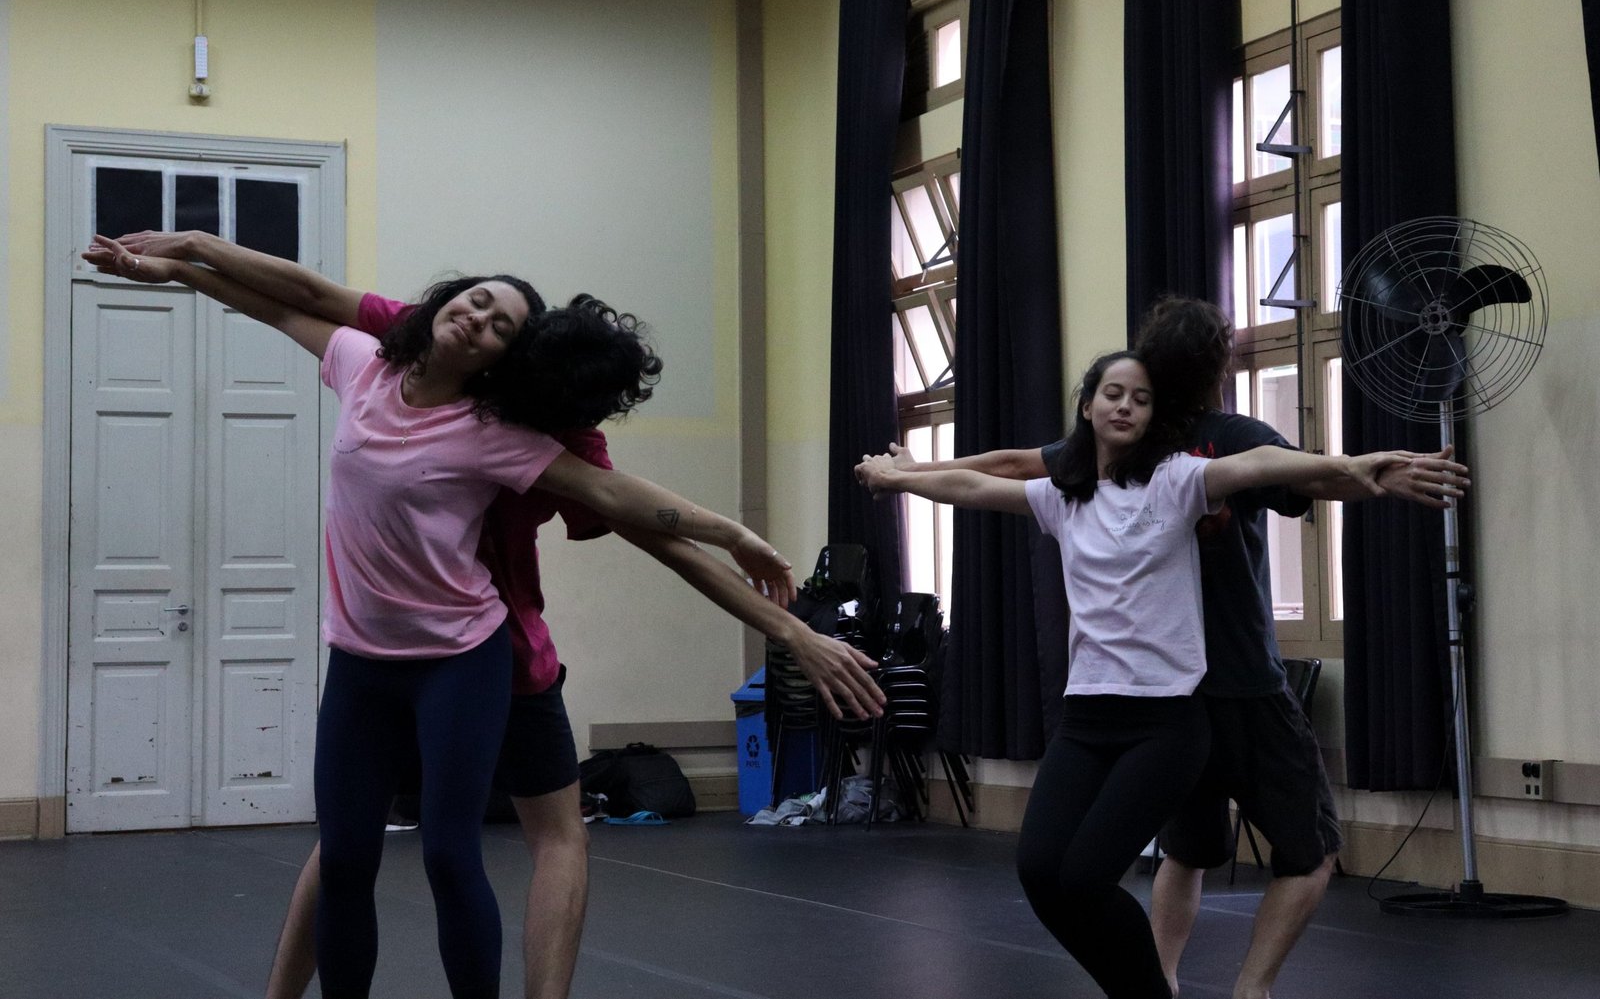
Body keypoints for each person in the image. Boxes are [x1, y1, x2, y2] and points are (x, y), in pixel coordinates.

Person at [94, 229, 883, 999]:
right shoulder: (379, 355)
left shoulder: (513, 433)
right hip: (371, 656)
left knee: (493, 844)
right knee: (345, 853)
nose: (478, 319)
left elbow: (646, 523)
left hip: (486, 652)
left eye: (498, 323)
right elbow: (295, 300)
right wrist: (188, 255)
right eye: (476, 303)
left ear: (511, 362)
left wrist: (770, 591)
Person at [875, 297, 1470, 999]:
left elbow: (1004, 463)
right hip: (1225, 689)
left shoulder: (1165, 461)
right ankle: (1233, 986)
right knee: (1305, 854)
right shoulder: (1149, 459)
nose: (1124, 407)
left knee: (1186, 852)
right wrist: (1364, 472)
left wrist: (909, 467)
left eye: (1137, 394)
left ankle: (1163, 978)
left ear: (1153, 370)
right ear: (1219, 367)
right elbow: (1298, 468)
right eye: (1113, 396)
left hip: (1179, 701)